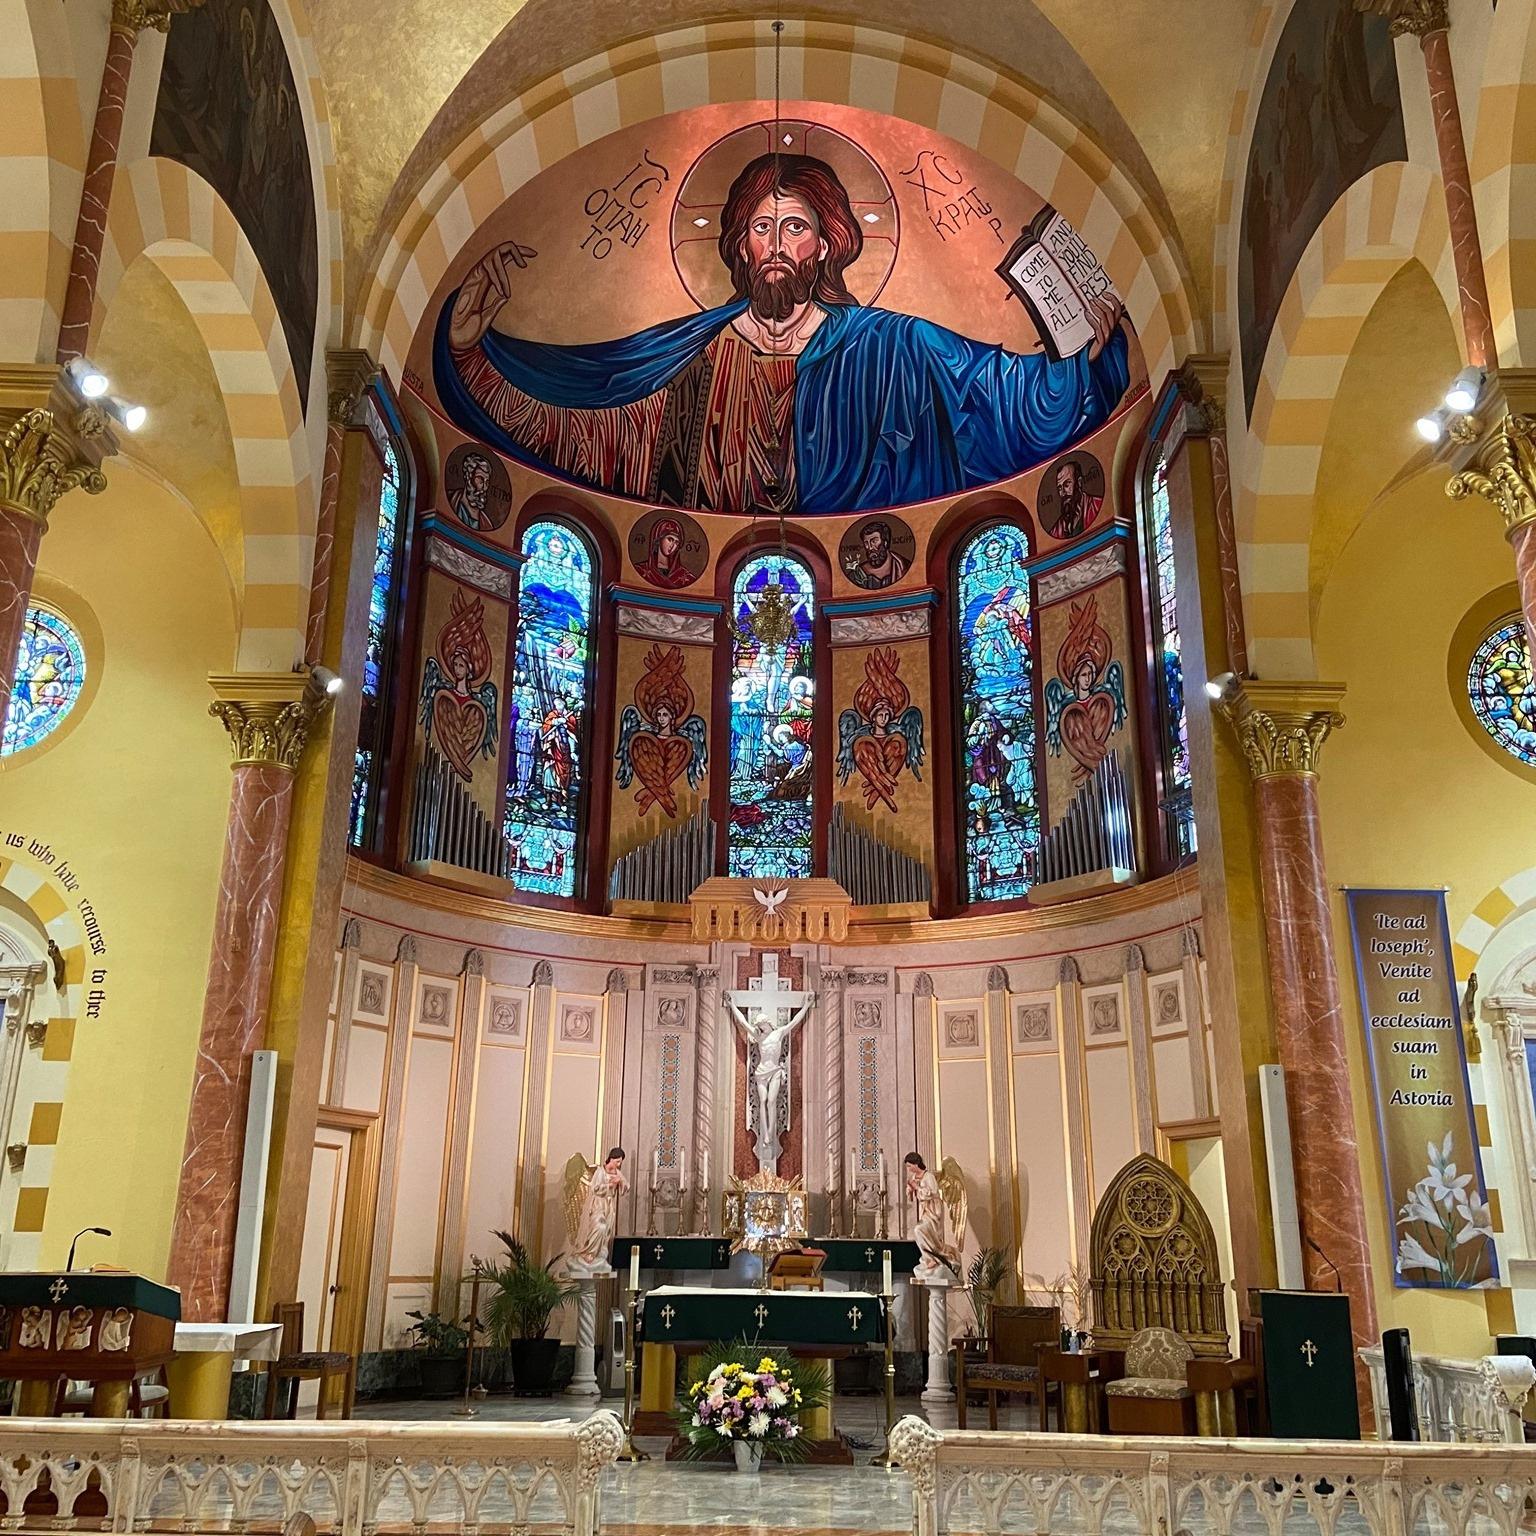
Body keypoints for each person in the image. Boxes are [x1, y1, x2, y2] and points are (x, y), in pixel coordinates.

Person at [437, 151, 1130, 516]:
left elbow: (995, 392)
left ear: (827, 246)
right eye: (760, 228)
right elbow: (584, 424)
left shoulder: (893, 347)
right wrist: (473, 351)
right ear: (737, 247)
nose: (774, 244)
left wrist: (1079, 360)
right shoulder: (686, 358)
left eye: (794, 227)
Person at [569, 1148, 627, 1275]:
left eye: (620, 1163)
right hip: (598, 1204)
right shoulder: (600, 1171)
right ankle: (588, 1252)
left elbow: (625, 1187)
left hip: (609, 1206)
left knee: (606, 1231)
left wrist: (621, 1182)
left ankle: (597, 1254)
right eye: (617, 1161)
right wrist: (610, 1185)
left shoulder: (617, 1172)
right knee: (599, 1226)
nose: (618, 1165)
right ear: (611, 1158)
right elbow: (595, 1188)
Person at [634, 516, 696, 588]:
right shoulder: (641, 569)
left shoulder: (685, 576)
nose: (672, 546)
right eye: (670, 539)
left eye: (676, 542)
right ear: (659, 539)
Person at [1049, 457, 1103, 539]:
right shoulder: (1058, 529)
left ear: (1079, 482)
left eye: (1067, 485)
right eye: (1060, 488)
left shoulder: (1095, 506)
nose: (1063, 492)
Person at [845, 520, 908, 589]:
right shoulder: (856, 574)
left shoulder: (903, 566)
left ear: (885, 542)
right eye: (866, 543)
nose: (870, 547)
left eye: (874, 541)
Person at [449, 451, 494, 530]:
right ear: (468, 477)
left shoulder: (487, 525)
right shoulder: (451, 499)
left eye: (487, 482)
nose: (484, 487)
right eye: (480, 479)